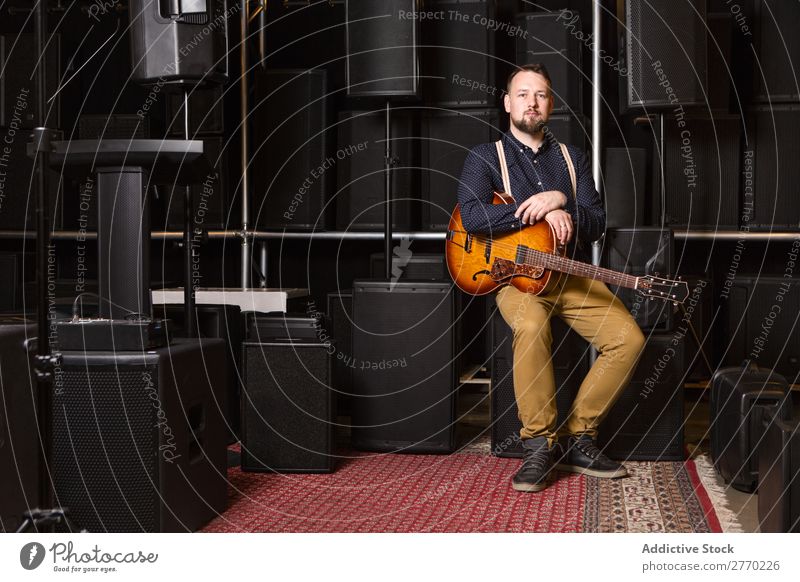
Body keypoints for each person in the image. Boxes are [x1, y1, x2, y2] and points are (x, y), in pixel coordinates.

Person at [456, 63, 646, 492]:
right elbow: (472, 216)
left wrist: (562, 197)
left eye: (540, 94)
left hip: (567, 276)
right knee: (531, 324)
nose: (531, 102)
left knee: (628, 339)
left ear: (551, 104)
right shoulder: (486, 157)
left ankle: (580, 436)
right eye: (522, 94)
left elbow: (596, 222)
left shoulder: (571, 159)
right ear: (508, 104)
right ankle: (539, 445)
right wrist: (539, 207)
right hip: (515, 278)